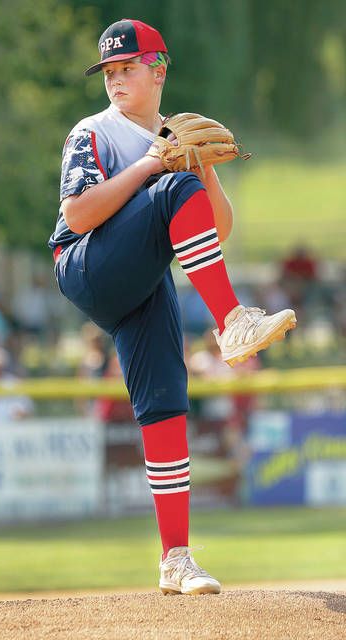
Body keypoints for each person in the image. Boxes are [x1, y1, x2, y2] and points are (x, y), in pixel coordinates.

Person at [48, 19, 296, 596]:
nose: (115, 80)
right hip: (85, 263)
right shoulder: (93, 131)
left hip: (141, 277)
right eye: (109, 71)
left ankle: (176, 559)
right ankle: (232, 322)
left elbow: (220, 227)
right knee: (174, 189)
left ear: (159, 69)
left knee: (165, 404)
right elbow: (79, 216)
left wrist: (200, 169)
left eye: (127, 67)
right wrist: (153, 167)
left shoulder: (173, 135)